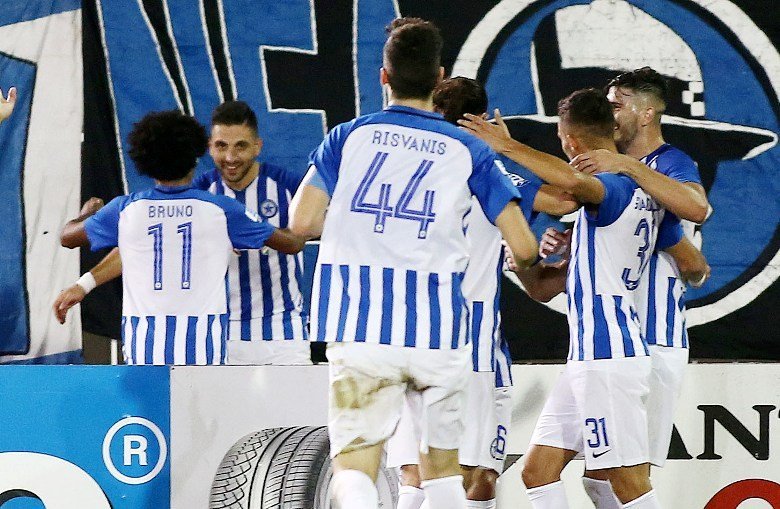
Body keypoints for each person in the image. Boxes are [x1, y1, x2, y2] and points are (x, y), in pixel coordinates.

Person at [288, 18, 538, 509]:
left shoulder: (348, 137)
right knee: (443, 472)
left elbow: (302, 223)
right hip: (437, 331)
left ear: (384, 76)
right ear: (438, 77)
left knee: (357, 466)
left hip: (360, 326)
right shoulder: (469, 149)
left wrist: (353, 223)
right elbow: (525, 249)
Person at [460, 88, 700, 509]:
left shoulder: (615, 186)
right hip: (591, 354)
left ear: (569, 141)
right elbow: (546, 286)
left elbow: (572, 183)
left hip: (608, 354)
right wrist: (535, 262)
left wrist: (505, 146)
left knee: (626, 482)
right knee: (538, 472)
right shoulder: (640, 192)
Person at [385, 76, 578, 509]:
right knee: (471, 474)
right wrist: (505, 145)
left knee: (417, 473)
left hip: (407, 334)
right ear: (483, 120)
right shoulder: (490, 172)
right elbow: (568, 199)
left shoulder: (402, 170)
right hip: (468, 341)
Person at [54, 101, 311, 365]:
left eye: (240, 146)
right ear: (203, 149)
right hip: (215, 335)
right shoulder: (215, 205)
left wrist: (87, 215)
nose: (230, 157)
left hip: (276, 327)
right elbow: (292, 243)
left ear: (257, 146)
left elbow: (72, 237)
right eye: (222, 146)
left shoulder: (129, 208)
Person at [568, 67, 711, 507]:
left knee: (627, 477)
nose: (609, 112)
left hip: (654, 339)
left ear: (647, 114)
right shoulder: (607, 171)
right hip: (611, 340)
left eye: (618, 104)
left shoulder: (669, 162)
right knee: (596, 477)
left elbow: (697, 210)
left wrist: (628, 165)